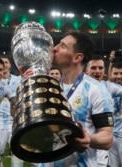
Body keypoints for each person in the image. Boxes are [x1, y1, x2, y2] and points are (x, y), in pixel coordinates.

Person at [34, 31, 114, 167]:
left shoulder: (95, 89)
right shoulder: (50, 86)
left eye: (63, 46)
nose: (55, 48)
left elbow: (107, 138)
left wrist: (89, 138)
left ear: (77, 57)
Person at [0, 56, 21, 167]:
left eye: (6, 62)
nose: (4, 64)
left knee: (17, 151)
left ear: (10, 65)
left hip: (15, 120)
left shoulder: (18, 80)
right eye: (2, 62)